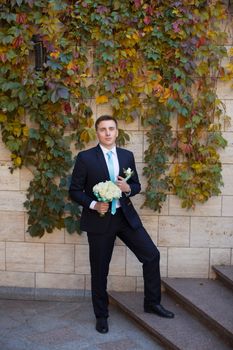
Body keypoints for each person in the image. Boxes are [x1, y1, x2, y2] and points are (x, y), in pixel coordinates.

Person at [69, 115, 174, 334]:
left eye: (111, 129)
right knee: (100, 270)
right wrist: (93, 204)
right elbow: (74, 191)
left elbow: (135, 185)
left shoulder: (127, 156)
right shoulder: (85, 158)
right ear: (96, 133)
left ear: (117, 132)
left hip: (125, 218)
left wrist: (129, 189)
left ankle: (152, 303)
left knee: (151, 255)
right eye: (102, 129)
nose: (107, 133)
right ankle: (101, 315)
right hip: (99, 221)